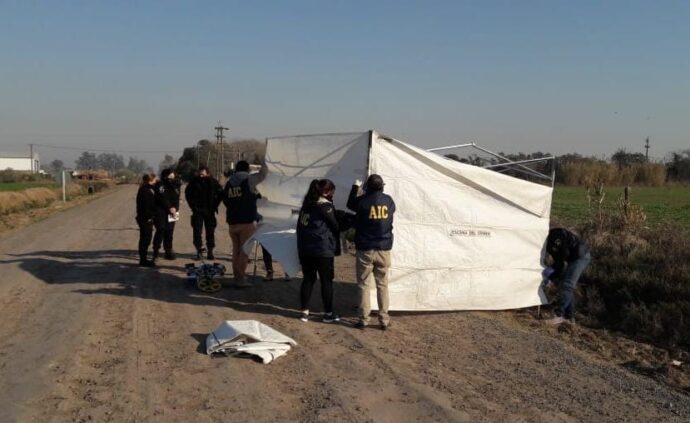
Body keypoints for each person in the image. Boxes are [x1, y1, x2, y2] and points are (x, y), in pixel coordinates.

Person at [296, 179, 352, 323]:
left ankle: (304, 312)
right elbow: (336, 226)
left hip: (305, 249)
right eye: (332, 192)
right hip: (322, 249)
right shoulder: (325, 206)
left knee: (308, 279)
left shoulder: (306, 205)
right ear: (327, 192)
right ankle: (328, 314)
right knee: (326, 282)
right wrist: (349, 220)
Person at [347, 174, 396, 330]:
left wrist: (356, 187)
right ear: (382, 186)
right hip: (384, 249)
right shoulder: (389, 201)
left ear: (367, 187)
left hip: (365, 248)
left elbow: (350, 204)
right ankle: (384, 319)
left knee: (363, 284)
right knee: (383, 285)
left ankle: (363, 319)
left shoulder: (362, 201)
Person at [222, 160, 267, 287]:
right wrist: (265, 161)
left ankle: (236, 277)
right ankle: (240, 280)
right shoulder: (249, 180)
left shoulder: (229, 183)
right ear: (247, 169)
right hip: (246, 222)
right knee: (244, 252)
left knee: (236, 251)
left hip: (232, 222)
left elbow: (225, 200)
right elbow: (263, 175)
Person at [542, 228, 591, 325]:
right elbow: (559, 262)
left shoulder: (555, 234)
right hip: (574, 258)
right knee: (565, 285)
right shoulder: (548, 245)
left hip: (580, 256)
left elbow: (564, 253)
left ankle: (558, 314)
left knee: (568, 285)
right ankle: (569, 317)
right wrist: (552, 277)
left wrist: (552, 271)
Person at [185, 165, 222, 260]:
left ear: (207, 173)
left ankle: (210, 251)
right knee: (197, 231)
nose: (201, 176)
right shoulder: (194, 182)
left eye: (203, 174)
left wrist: (215, 205)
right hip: (197, 211)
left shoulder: (213, 182)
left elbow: (220, 194)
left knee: (210, 231)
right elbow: (188, 194)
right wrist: (193, 206)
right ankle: (199, 251)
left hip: (210, 211)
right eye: (200, 174)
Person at [153, 168, 181, 261]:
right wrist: (169, 207)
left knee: (170, 231)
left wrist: (175, 208)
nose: (172, 176)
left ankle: (168, 251)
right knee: (160, 230)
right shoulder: (160, 185)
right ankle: (156, 252)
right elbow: (161, 197)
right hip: (161, 211)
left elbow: (177, 199)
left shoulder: (177, 185)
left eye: (173, 174)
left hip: (173, 212)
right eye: (170, 175)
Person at [135, 173, 157, 267]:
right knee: (145, 239)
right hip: (145, 218)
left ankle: (143, 258)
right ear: (151, 180)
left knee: (146, 238)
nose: (156, 181)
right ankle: (143, 260)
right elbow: (146, 206)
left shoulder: (146, 188)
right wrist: (149, 217)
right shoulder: (145, 190)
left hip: (145, 217)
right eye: (155, 179)